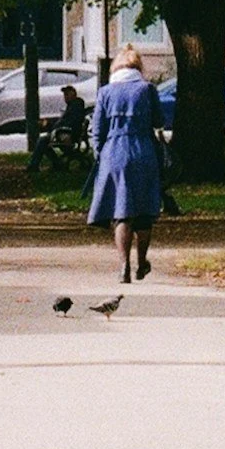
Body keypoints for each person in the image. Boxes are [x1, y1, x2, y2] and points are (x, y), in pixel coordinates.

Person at [88, 44, 164, 281]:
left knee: (121, 212)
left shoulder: (105, 92)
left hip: (114, 152)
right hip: (143, 151)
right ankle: (141, 263)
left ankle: (124, 266)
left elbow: (97, 131)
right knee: (143, 212)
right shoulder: (147, 90)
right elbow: (159, 120)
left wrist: (101, 154)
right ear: (137, 67)